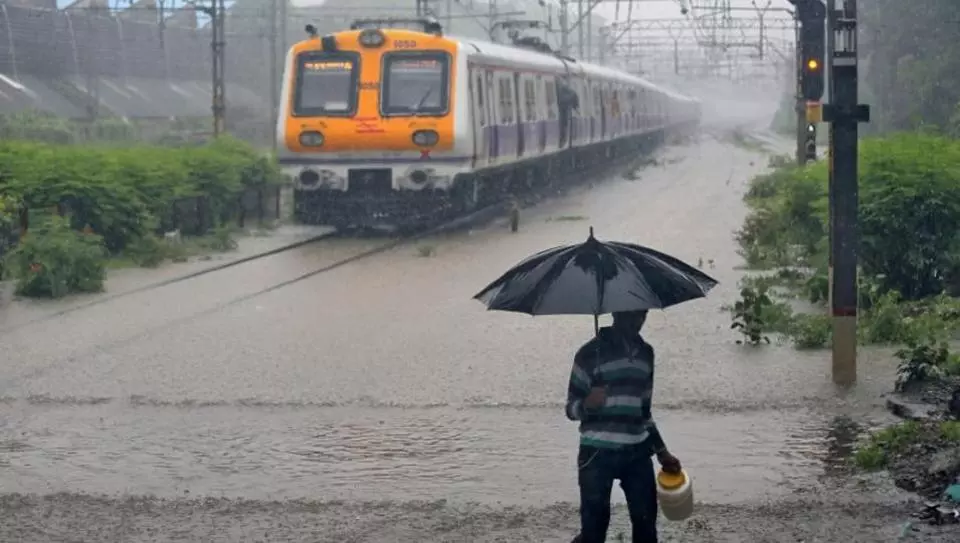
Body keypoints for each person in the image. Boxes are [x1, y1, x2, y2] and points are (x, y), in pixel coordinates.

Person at [565, 310, 681, 543]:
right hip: (596, 453)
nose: (638, 320)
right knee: (594, 531)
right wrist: (587, 404)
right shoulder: (588, 354)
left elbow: (644, 412)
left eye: (642, 314)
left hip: (637, 451)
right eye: (631, 314)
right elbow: (570, 409)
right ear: (616, 312)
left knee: (646, 526)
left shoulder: (646, 354)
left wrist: (662, 452)